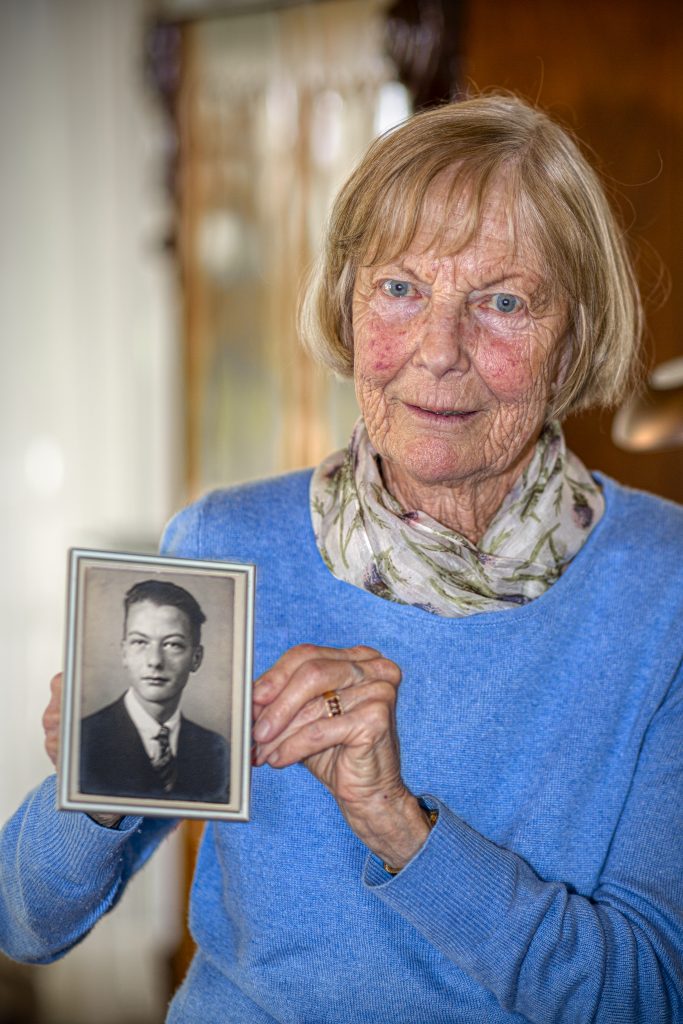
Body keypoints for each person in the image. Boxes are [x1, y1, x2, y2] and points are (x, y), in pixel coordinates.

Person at [1, 94, 682, 1022]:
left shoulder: (663, 586)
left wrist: (399, 827)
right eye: (400, 288)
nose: (439, 352)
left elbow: (649, 994)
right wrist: (98, 781)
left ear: (571, 340)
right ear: (347, 305)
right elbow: (26, 923)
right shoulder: (227, 545)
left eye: (504, 302)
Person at [80, 579, 229, 803]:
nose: (155, 661)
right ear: (124, 653)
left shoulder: (216, 750)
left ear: (196, 658)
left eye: (173, 644)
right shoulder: (83, 739)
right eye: (140, 642)